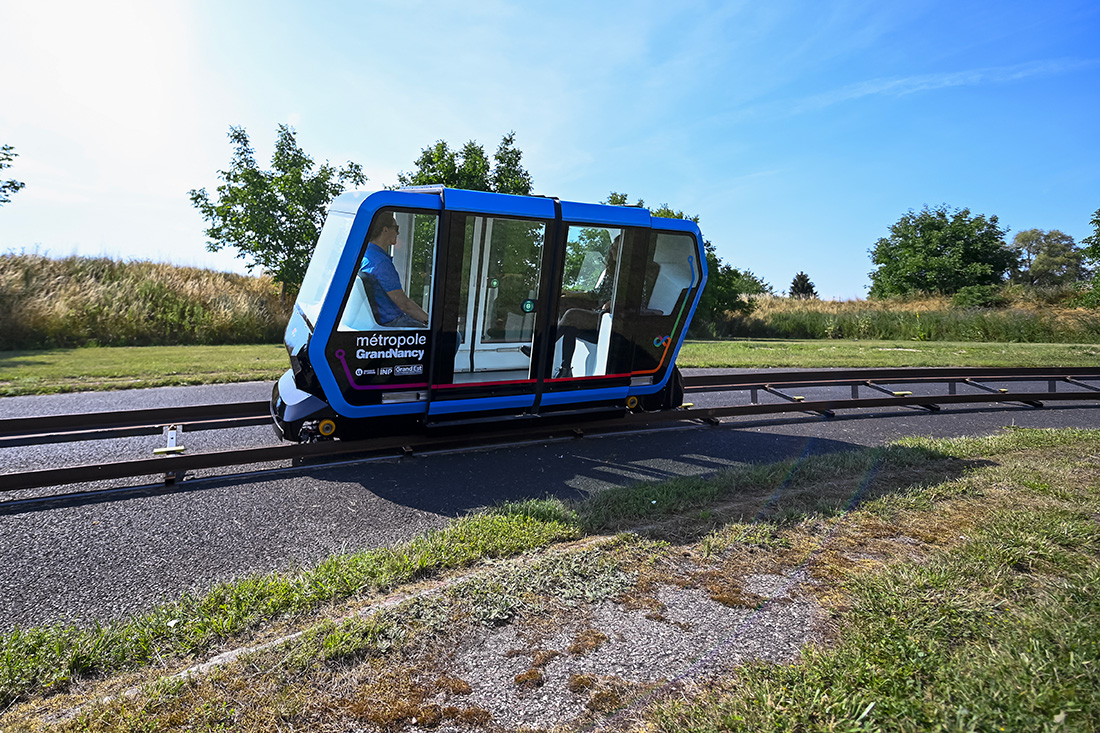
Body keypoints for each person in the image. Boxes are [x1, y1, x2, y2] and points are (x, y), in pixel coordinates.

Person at [553, 235, 621, 378]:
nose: (613, 251)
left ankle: (542, 347)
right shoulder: (611, 271)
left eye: (617, 248)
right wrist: (571, 294)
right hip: (598, 313)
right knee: (570, 323)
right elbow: (595, 294)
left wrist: (615, 303)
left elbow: (640, 300)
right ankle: (566, 370)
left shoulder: (634, 274)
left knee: (572, 315)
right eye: (612, 248)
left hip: (611, 318)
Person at [359, 214, 429, 328]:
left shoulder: (365, 255)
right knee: (451, 336)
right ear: (385, 230)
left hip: (376, 321)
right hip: (391, 323)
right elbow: (404, 304)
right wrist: (430, 321)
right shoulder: (381, 262)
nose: (398, 233)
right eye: (396, 228)